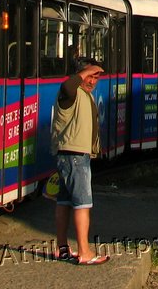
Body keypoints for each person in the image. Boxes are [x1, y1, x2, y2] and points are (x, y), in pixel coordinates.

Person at [52, 58, 109, 265]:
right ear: (79, 75)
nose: (92, 81)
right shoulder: (71, 93)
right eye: (89, 76)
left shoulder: (84, 95)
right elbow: (67, 86)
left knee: (64, 202)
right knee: (83, 203)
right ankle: (85, 252)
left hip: (72, 155)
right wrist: (85, 72)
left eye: (96, 77)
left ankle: (62, 248)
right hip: (75, 156)